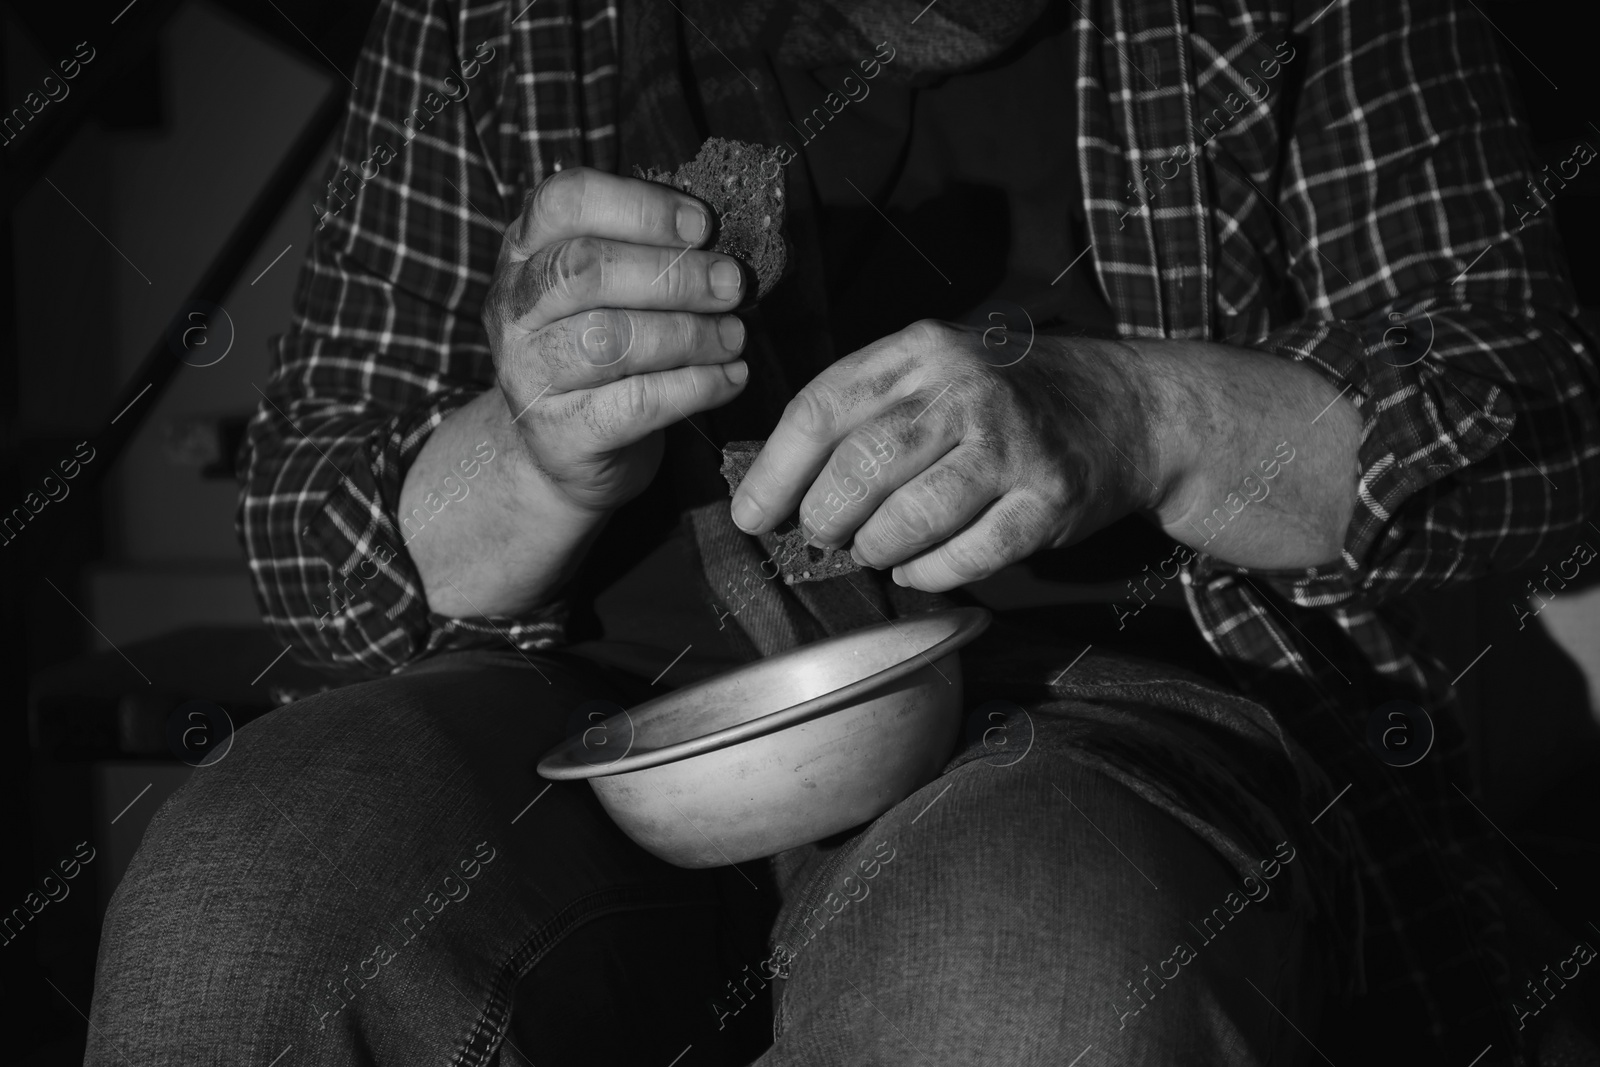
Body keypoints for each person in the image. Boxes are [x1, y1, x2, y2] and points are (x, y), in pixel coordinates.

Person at [85, 0, 1599, 1064]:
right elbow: (308, 531)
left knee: (1017, 962)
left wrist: (1140, 416)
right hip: (589, 730)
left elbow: (1549, 437)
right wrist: (540, 450)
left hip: (1115, 713)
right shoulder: (501, 17)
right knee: (248, 891)